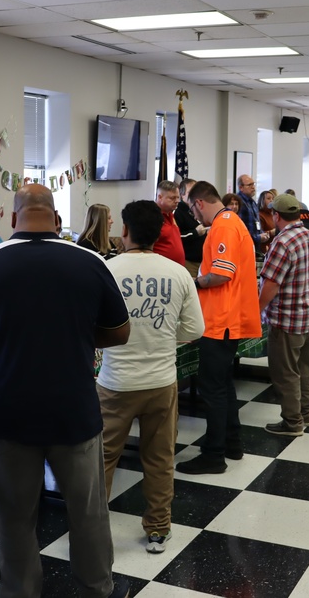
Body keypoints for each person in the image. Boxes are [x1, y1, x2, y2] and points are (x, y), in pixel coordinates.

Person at [0, 184, 131, 598]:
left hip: (11, 410)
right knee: (87, 512)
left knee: (15, 516)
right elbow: (119, 332)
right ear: (55, 220)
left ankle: (20, 592)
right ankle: (96, 588)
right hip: (74, 410)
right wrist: (78, 337)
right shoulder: (89, 261)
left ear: (13, 220)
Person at [98, 200, 204, 554]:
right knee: (159, 458)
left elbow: (90, 326)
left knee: (101, 459)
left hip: (115, 382)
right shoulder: (178, 272)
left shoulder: (106, 270)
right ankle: (158, 529)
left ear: (124, 231)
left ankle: (93, 533)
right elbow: (195, 328)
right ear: (160, 232)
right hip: (161, 381)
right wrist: (159, 337)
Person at [176, 181, 261, 475]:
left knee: (212, 391)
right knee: (223, 386)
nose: (193, 216)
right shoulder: (232, 222)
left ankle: (213, 455)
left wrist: (194, 282)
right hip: (227, 318)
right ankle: (232, 443)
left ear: (199, 203)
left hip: (220, 319)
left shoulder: (223, 225)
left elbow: (222, 273)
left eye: (191, 208)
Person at [259, 194, 309, 436]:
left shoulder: (282, 242)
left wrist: (256, 309)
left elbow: (271, 285)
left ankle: (292, 422)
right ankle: (306, 414)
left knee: (286, 373)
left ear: (276, 215)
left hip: (286, 320)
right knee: (306, 370)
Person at [175, 178, 207, 278]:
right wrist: (195, 232)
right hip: (189, 261)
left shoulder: (199, 209)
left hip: (203, 260)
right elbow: (177, 237)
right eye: (190, 192)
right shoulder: (178, 213)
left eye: (196, 191)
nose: (195, 195)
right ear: (182, 195)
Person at [152, 180, 185, 266]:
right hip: (160, 269)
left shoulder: (171, 215)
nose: (177, 201)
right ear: (160, 197)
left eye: (178, 197)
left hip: (177, 269)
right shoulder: (151, 216)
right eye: (172, 198)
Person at [235, 174, 270, 251]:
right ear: (241, 187)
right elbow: (241, 230)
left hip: (255, 247)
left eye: (253, 184)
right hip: (244, 248)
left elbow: (256, 223)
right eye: (249, 185)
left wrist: (263, 234)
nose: (253, 187)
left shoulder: (252, 202)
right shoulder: (238, 203)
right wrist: (258, 238)